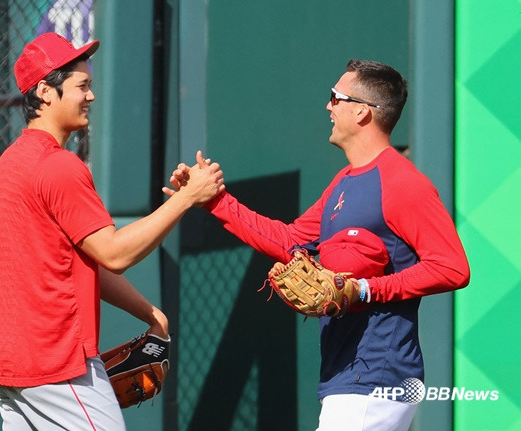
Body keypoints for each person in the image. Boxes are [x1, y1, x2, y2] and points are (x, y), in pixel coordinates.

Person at [164, 59, 470, 430]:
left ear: (361, 112)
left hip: (376, 376)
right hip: (345, 375)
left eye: (335, 98)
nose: (328, 106)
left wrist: (366, 290)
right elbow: (290, 240)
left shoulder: (403, 183)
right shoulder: (344, 181)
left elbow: (451, 267)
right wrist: (214, 201)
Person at [0, 32, 224, 430]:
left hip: (11, 365)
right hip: (57, 365)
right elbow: (115, 253)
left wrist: (151, 314)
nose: (91, 96)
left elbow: (87, 263)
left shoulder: (12, 162)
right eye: (82, 86)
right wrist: (185, 199)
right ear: (46, 91)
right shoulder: (58, 166)